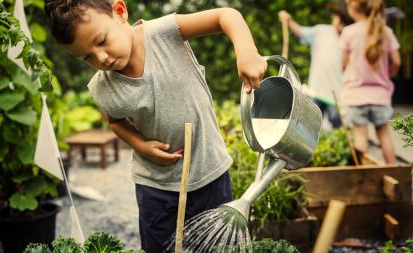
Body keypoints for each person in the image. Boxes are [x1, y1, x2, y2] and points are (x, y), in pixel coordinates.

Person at [43, 1, 267, 252]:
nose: (101, 58)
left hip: (210, 172)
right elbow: (116, 121)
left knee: (215, 247)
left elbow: (225, 15)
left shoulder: (164, 32)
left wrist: (246, 51)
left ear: (119, 12)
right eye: (87, 57)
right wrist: (141, 146)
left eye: (102, 41)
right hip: (156, 188)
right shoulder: (102, 88)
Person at [340, 0, 401, 164]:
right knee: (384, 135)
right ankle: (395, 173)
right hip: (380, 95)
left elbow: (344, 64)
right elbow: (396, 61)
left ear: (353, 7)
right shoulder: (386, 31)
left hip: (356, 95)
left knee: (360, 138)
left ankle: (361, 178)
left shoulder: (348, 32)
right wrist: (386, 74)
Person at [278, 7, 353, 129]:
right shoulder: (322, 31)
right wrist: (289, 20)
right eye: (338, 19)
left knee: (338, 126)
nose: (339, 23)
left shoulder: (349, 37)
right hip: (316, 89)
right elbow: (301, 32)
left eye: (343, 22)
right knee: (310, 126)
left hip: (336, 92)